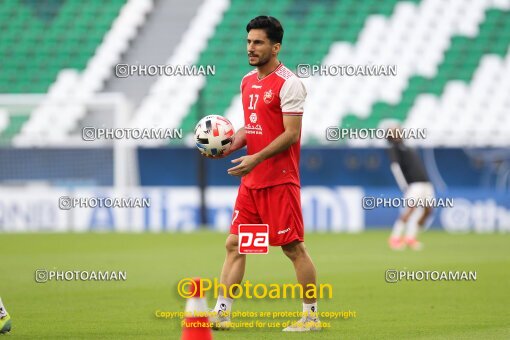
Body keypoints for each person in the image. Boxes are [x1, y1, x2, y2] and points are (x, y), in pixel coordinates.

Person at [209, 16, 320, 332]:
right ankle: (222, 312)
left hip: (279, 179)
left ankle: (310, 316)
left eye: (258, 42)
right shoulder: (247, 81)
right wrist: (227, 146)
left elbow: (291, 134)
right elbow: (253, 126)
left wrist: (255, 158)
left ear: (276, 46)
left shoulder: (290, 83)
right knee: (236, 244)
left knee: (292, 248)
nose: (251, 48)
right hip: (252, 181)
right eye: (248, 42)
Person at [387, 127, 434, 250]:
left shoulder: (406, 146)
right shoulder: (394, 148)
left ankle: (410, 237)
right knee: (410, 209)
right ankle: (395, 238)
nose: (399, 131)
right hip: (414, 184)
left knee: (428, 211)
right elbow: (395, 168)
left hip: (425, 183)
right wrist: (404, 186)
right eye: (395, 131)